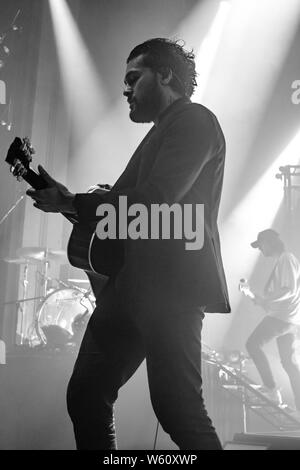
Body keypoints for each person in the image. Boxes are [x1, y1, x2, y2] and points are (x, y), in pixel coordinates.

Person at [26, 38, 230, 450]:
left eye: (134, 79)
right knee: (85, 395)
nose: (125, 90)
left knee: (177, 409)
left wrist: (73, 202)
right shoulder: (161, 132)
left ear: (166, 75)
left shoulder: (194, 122)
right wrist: (69, 203)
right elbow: (126, 221)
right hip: (129, 289)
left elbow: (156, 200)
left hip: (173, 290)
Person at [246, 229, 300, 411]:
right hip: (289, 319)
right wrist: (258, 299)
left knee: (252, 344)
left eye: (260, 245)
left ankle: (271, 388)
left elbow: (288, 290)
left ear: (269, 243)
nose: (260, 249)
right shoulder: (283, 261)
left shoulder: (286, 258)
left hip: (282, 318)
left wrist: (265, 299)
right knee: (289, 363)